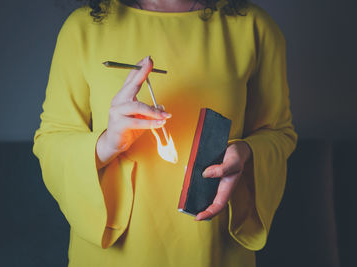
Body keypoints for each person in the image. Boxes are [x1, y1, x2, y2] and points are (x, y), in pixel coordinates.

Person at [32, 0, 298, 266]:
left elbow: (277, 133)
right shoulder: (83, 28)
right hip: (114, 256)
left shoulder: (254, 27)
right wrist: (107, 143)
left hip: (212, 251)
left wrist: (245, 153)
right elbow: (52, 140)